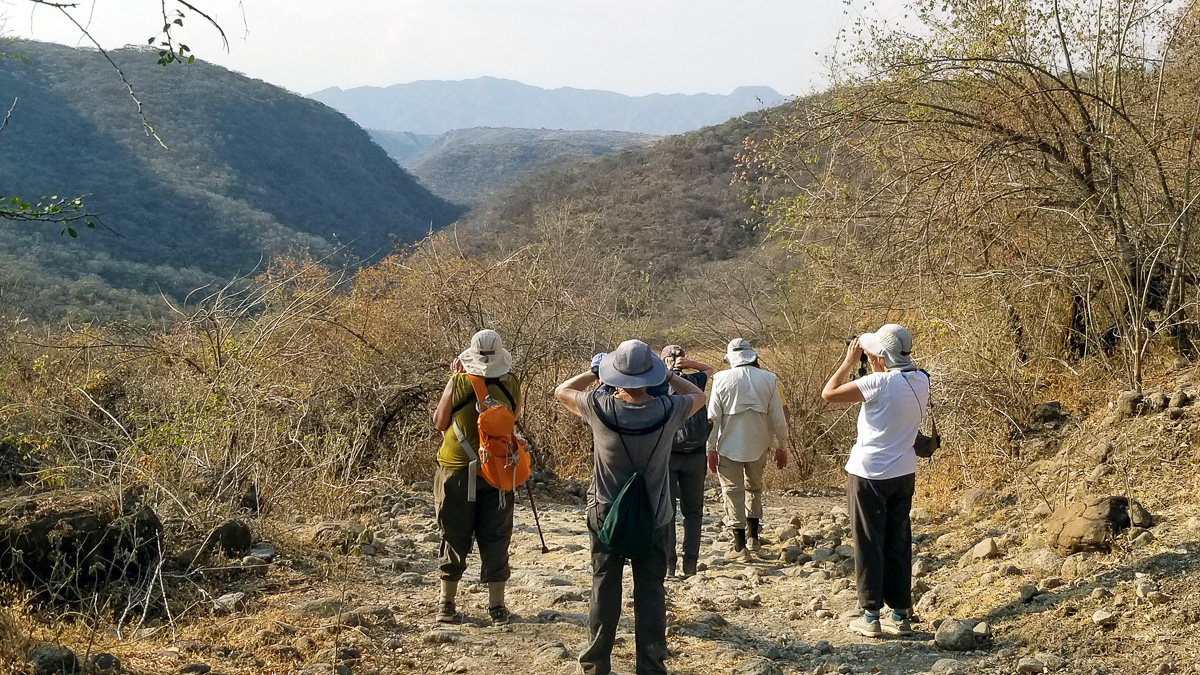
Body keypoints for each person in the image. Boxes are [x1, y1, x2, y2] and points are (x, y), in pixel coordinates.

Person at [555, 340, 706, 675]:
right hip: (656, 515)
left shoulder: (599, 407)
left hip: (606, 514)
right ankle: (650, 667)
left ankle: (596, 665)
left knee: (604, 586)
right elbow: (699, 397)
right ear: (650, 377)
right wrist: (668, 374)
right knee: (651, 591)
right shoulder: (670, 409)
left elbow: (562, 390)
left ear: (615, 378)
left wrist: (595, 372)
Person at [821, 324, 927, 638]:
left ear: (881, 357)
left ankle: (870, 616)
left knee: (869, 542)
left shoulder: (877, 383)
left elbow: (829, 393)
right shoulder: (921, 380)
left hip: (869, 474)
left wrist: (849, 361)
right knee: (898, 541)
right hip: (903, 472)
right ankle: (900, 615)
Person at [432, 329, 523, 625]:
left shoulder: (458, 382)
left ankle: (447, 604)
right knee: (497, 536)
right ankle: (497, 608)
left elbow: (439, 422)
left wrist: (453, 381)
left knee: (453, 534)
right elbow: (512, 420)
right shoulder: (511, 383)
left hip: (456, 468)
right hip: (497, 471)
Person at [706, 338, 789, 562]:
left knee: (732, 491)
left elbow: (713, 417)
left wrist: (710, 448)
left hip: (727, 444)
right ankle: (753, 537)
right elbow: (779, 418)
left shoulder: (720, 379)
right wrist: (782, 446)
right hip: (760, 443)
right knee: (755, 488)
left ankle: (739, 546)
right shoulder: (769, 379)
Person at [659, 345, 714, 578]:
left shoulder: (658, 386)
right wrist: (690, 364)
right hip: (696, 454)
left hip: (668, 455)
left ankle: (669, 564)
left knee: (667, 511)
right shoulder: (695, 383)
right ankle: (690, 564)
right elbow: (710, 369)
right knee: (693, 512)